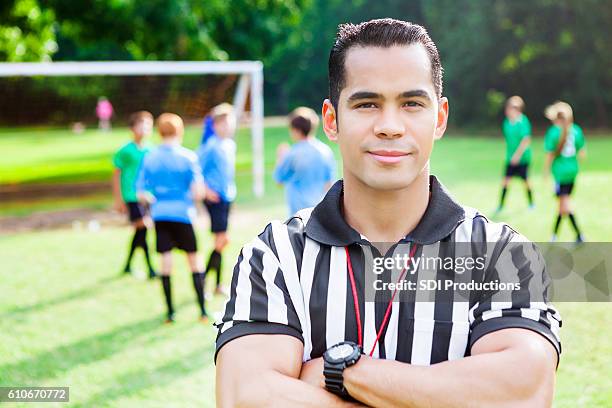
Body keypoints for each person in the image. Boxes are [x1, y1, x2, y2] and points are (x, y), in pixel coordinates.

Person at [215, 19, 561, 407]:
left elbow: (522, 395)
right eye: (367, 104)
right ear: (332, 120)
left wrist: (342, 371)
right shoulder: (275, 255)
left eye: (412, 103)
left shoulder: (501, 254)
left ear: (440, 118)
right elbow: (244, 397)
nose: (390, 126)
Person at [136, 113, 207, 323]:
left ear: (159, 132)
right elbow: (198, 192)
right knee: (194, 261)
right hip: (183, 214)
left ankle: (170, 313)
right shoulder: (188, 157)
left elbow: (141, 191)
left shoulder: (150, 157)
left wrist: (155, 199)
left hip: (160, 214)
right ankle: (202, 311)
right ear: (180, 131)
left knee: (166, 263)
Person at [197, 103, 237, 296]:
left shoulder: (230, 145)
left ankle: (216, 283)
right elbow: (196, 169)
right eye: (224, 123)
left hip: (227, 195)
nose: (228, 127)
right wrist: (205, 190)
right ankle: (205, 278)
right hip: (215, 198)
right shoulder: (210, 146)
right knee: (222, 239)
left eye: (230, 123)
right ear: (215, 125)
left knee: (221, 241)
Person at [112, 111, 157, 279]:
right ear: (132, 128)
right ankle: (150, 268)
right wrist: (118, 199)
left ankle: (128, 266)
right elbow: (116, 174)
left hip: (148, 196)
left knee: (141, 232)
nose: (145, 128)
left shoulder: (151, 150)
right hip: (131, 195)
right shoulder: (125, 151)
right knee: (143, 226)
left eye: (148, 125)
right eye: (141, 124)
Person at [274, 107, 336, 216]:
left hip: (298, 213)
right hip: (319, 210)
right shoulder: (325, 150)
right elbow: (329, 183)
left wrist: (280, 157)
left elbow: (279, 180)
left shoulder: (293, 153)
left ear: (296, 130)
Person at [544, 101, 586, 242]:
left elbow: (549, 155)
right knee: (563, 206)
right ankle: (556, 235)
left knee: (565, 206)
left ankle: (577, 235)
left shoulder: (554, 132)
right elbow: (582, 153)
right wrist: (574, 166)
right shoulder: (576, 130)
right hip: (572, 172)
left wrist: (546, 172)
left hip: (560, 174)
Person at [495, 95, 534, 213]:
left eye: (510, 108)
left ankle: (531, 204)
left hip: (522, 158)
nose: (507, 111)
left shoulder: (523, 121)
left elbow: (526, 140)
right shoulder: (507, 123)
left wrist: (517, 156)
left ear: (517, 109)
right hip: (510, 158)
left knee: (526, 181)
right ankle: (501, 205)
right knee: (506, 181)